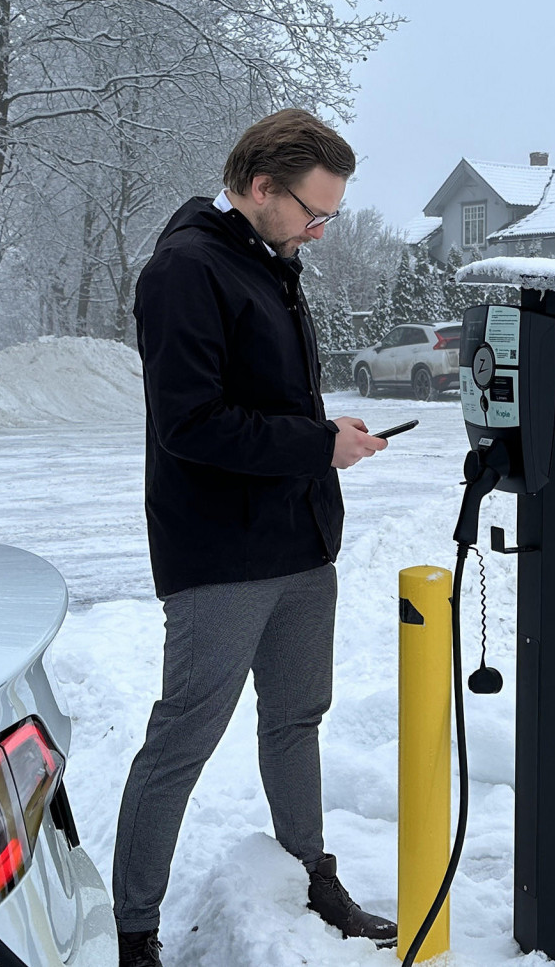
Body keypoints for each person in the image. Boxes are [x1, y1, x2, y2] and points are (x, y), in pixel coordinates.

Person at [113, 109, 396, 967]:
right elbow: (191, 424)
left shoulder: (267, 260)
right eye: (313, 211)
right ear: (261, 186)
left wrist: (323, 431)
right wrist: (317, 445)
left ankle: (310, 873)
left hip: (300, 542)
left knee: (297, 718)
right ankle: (134, 931)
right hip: (223, 555)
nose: (319, 230)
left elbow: (262, 399)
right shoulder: (186, 269)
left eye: (330, 216)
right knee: (184, 737)